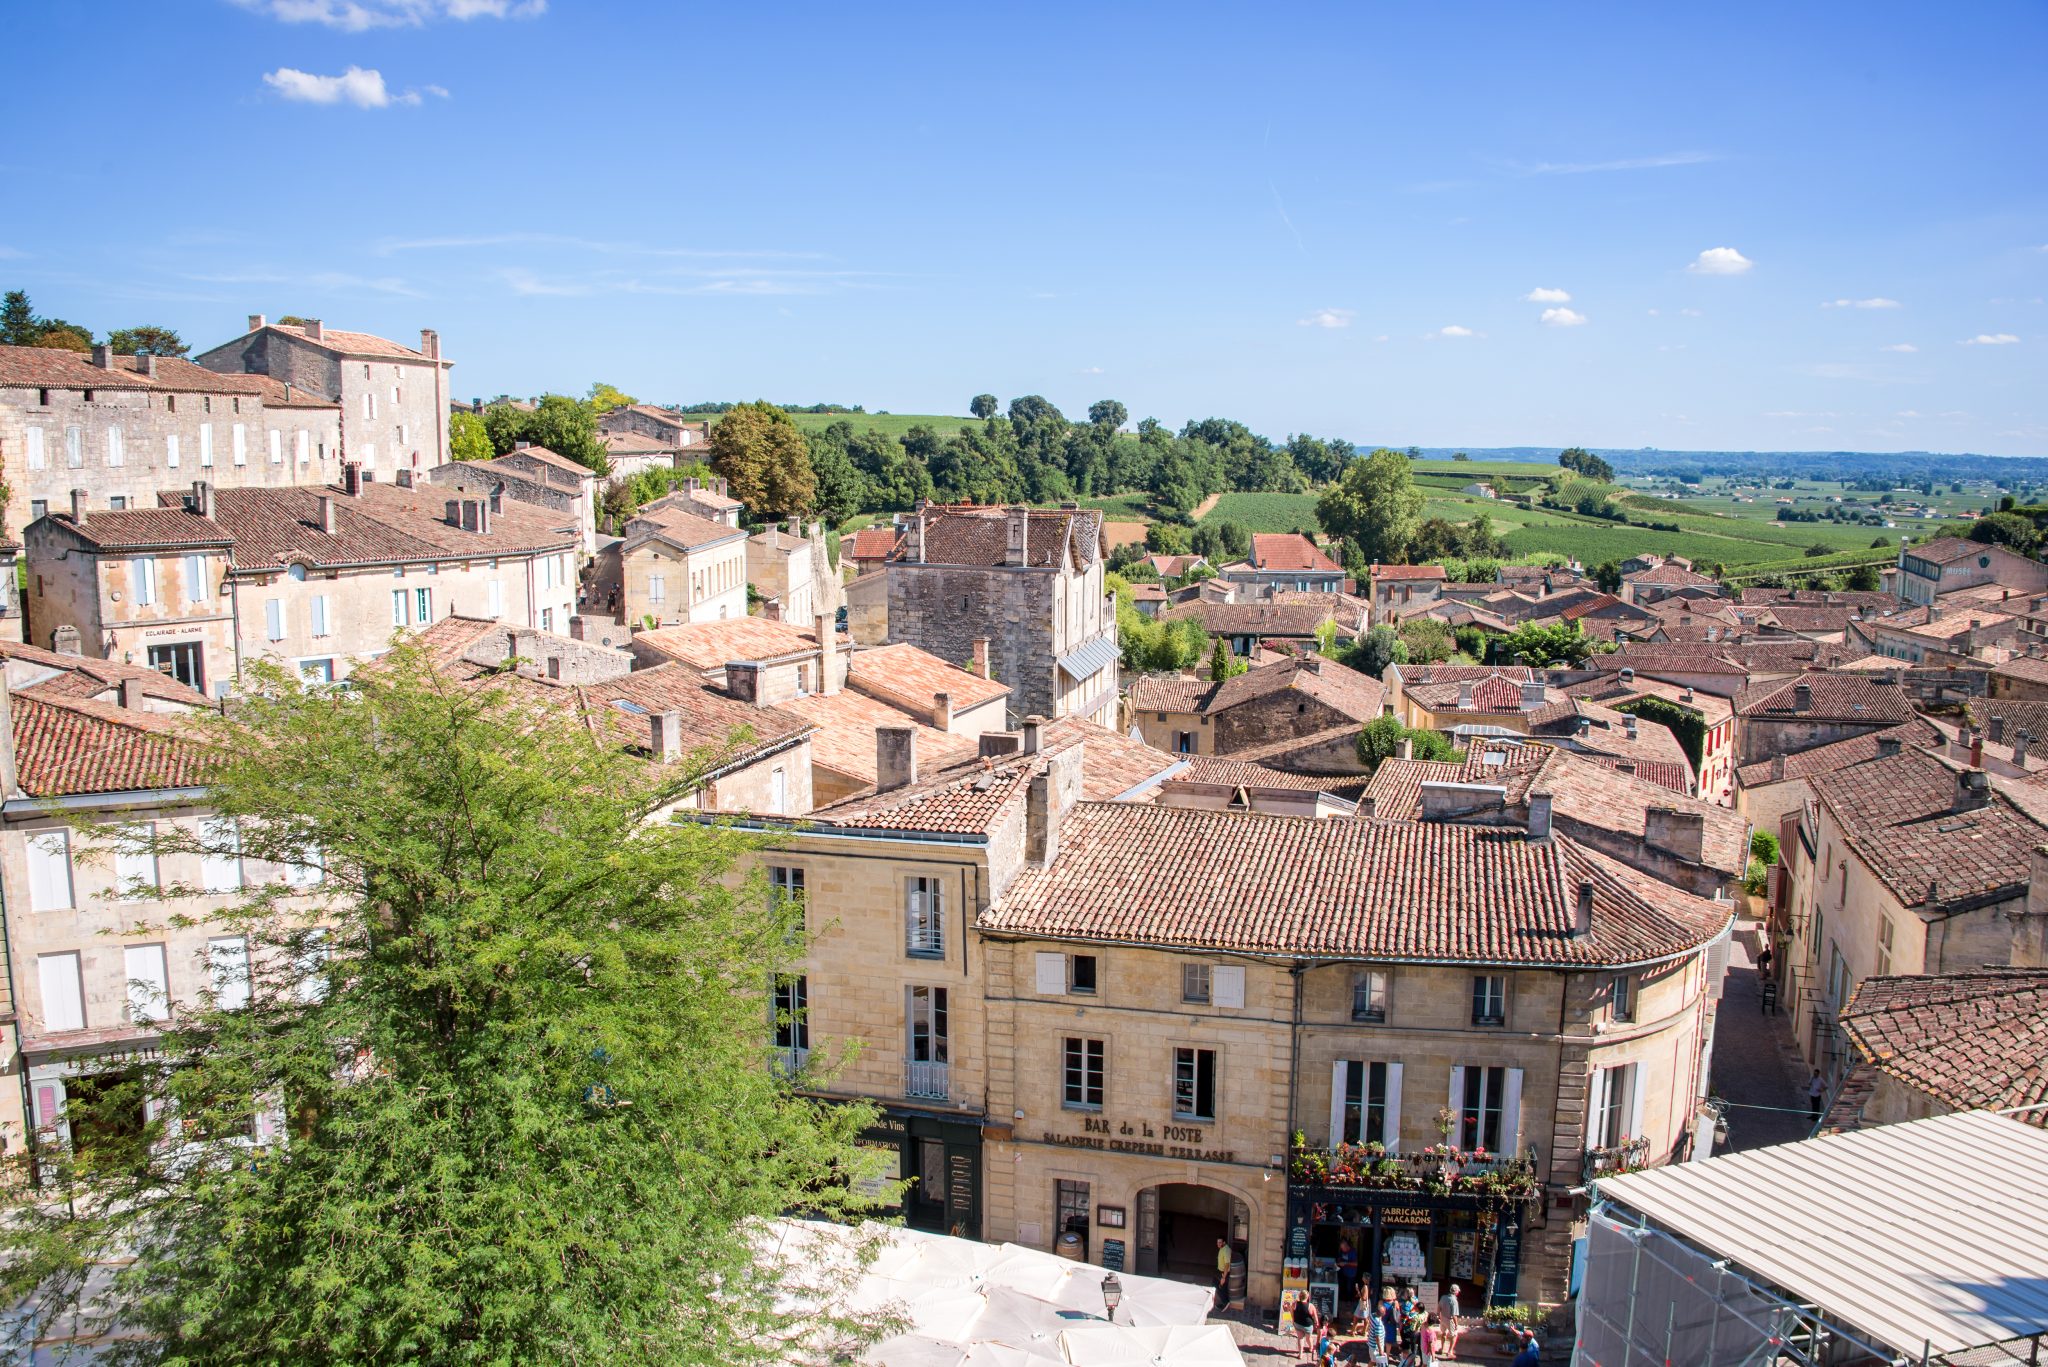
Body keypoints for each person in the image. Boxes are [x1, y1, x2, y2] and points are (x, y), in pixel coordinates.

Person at [1291, 1293, 1318, 1361]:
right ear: (1308, 1297)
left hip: (1298, 1323)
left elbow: (1291, 1312)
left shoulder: (1295, 1303)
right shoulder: (1310, 1306)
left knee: (1300, 1338)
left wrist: (1293, 1320)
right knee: (1308, 1338)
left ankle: (1300, 1354)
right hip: (1307, 1325)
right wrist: (1316, 1323)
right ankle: (1311, 1348)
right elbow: (1315, 1316)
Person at [1436, 1284, 1461, 1357]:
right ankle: (1450, 1352)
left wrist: (1439, 1316)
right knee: (1454, 1335)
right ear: (1456, 1292)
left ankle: (1442, 1349)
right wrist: (1456, 1325)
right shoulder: (1454, 1301)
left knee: (1443, 1333)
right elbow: (1454, 1315)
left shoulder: (1443, 1297)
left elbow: (1439, 1308)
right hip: (1449, 1320)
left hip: (1443, 1318)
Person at [1213, 1238, 1232, 1310]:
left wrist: (1223, 1277)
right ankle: (1225, 1302)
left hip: (1223, 1273)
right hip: (1220, 1271)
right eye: (1217, 1242)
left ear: (1224, 1242)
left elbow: (1227, 1264)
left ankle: (1225, 1303)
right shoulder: (1222, 1248)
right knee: (1221, 1287)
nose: (1218, 1244)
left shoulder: (1226, 1250)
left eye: (1220, 1242)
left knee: (1219, 1286)